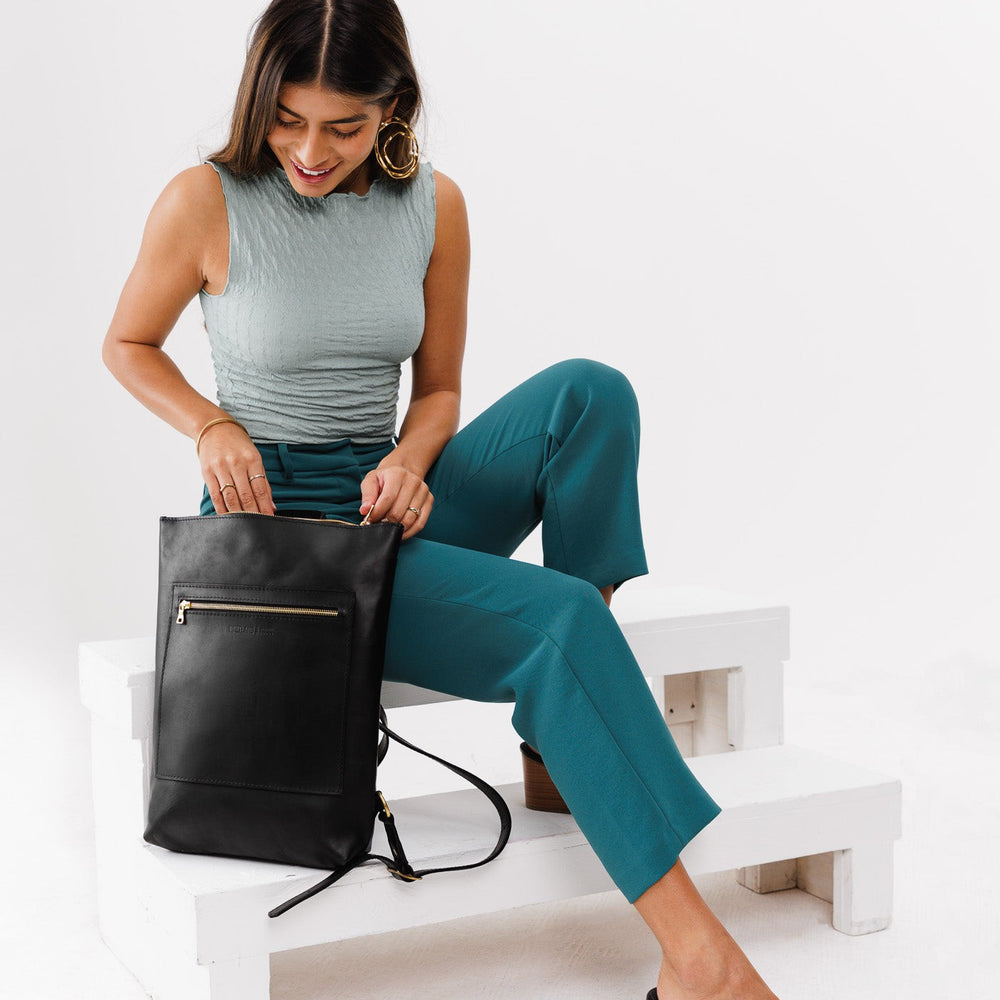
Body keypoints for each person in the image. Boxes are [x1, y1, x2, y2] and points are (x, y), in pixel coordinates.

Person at [102, 2, 780, 997]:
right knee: (559, 622)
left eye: (343, 127)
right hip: (286, 544)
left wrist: (414, 463)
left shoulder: (434, 205)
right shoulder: (204, 201)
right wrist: (210, 425)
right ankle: (699, 960)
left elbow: (439, 393)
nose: (310, 152)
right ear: (261, 101)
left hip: (387, 502)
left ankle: (558, 744)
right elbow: (127, 343)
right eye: (288, 119)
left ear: (395, 107)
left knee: (590, 394)